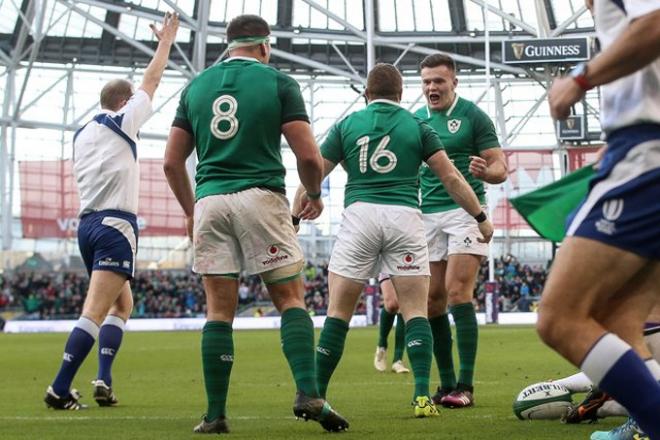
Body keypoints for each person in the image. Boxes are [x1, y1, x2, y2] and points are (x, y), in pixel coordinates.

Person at [163, 14, 348, 434]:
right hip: (261, 197)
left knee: (219, 311)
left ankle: (214, 415)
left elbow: (172, 162)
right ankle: (308, 392)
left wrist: (191, 210)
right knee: (290, 299)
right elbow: (307, 157)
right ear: (265, 46)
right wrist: (314, 194)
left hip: (210, 200)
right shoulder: (279, 83)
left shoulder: (196, 87)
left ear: (228, 47)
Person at [296, 63, 494, 418]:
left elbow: (314, 167)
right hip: (405, 217)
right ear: (402, 95)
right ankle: (421, 397)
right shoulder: (417, 125)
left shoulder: (346, 124)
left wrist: (300, 209)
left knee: (338, 311)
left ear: (367, 94)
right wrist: (480, 216)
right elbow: (450, 177)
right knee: (416, 309)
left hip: (360, 217)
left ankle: (314, 395)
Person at [43, 12, 180, 411]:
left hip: (86, 225)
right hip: (115, 224)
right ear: (123, 102)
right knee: (95, 311)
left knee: (124, 305)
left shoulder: (83, 133)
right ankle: (58, 388)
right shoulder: (123, 120)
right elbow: (151, 82)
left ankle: (103, 378)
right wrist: (165, 43)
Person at [538, 0, 660, 437]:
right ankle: (640, 424)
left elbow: (654, 26)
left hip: (647, 154)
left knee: (560, 318)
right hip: (637, 147)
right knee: (623, 320)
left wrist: (580, 79)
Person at [413, 53, 507, 408]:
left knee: (456, 292)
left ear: (454, 82)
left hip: (466, 212)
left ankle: (465, 386)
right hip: (426, 216)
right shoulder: (416, 120)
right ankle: (447, 382)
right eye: (426, 82)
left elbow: (500, 167)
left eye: (438, 80)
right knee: (432, 300)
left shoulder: (472, 116)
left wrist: (488, 172)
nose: (432, 87)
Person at [373, 274, 410, 374]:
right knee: (392, 304)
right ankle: (382, 345)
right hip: (386, 260)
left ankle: (398, 360)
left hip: (406, 262)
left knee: (403, 305)